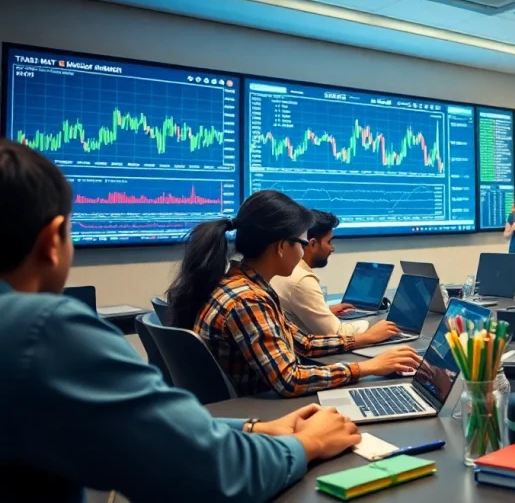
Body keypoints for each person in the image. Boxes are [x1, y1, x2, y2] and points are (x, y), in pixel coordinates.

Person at [0, 138, 364, 503]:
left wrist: (254, 428)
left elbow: (150, 433)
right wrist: (309, 443)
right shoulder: (40, 330)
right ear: (52, 240)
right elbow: (212, 471)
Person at [166, 190, 420, 398]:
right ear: (280, 247)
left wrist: (362, 340)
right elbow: (290, 380)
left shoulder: (244, 284)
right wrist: (367, 367)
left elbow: (303, 343)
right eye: (301, 243)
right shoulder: (247, 300)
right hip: (261, 413)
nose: (303, 253)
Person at [272, 209, 386, 338]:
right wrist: (371, 324)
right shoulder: (301, 279)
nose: (332, 248)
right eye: (329, 242)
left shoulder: (281, 269)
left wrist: (325, 312)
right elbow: (337, 334)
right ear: (313, 244)